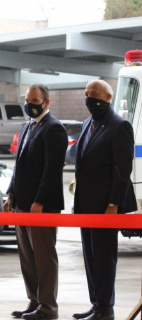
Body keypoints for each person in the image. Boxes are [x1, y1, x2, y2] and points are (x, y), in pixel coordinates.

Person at [72, 80, 136, 320]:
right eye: (87, 94)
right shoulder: (88, 123)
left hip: (105, 205)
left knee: (103, 255)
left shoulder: (120, 126)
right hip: (85, 204)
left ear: (108, 97)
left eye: (95, 94)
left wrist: (113, 205)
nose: (90, 98)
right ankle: (96, 303)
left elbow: (122, 170)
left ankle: (105, 309)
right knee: (89, 255)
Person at [3, 84, 67, 320]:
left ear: (47, 102)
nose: (30, 104)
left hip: (41, 207)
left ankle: (48, 307)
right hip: (22, 204)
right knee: (28, 258)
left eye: (35, 100)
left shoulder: (54, 129)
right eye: (27, 100)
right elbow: (19, 166)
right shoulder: (28, 126)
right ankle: (34, 301)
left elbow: (52, 170)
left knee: (44, 258)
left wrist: (39, 201)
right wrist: (11, 194)